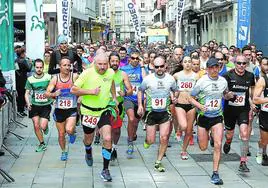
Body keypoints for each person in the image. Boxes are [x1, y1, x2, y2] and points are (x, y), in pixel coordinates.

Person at [71, 54, 117, 182]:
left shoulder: (110, 72)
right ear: (94, 63)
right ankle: (88, 150)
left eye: (105, 64)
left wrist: (114, 97)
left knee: (107, 138)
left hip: (104, 110)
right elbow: (73, 90)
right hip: (88, 111)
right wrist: (91, 92)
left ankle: (105, 170)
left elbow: (111, 82)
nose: (102, 67)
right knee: (88, 138)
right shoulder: (87, 73)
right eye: (100, 64)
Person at [189, 58, 234, 185]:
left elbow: (225, 94)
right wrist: (199, 105)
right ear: (207, 69)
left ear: (219, 68)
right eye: (212, 67)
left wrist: (228, 95)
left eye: (217, 67)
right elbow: (190, 98)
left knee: (218, 145)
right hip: (203, 117)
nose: (214, 70)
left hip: (217, 116)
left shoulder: (223, 81)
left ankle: (215, 173)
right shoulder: (202, 81)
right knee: (203, 148)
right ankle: (206, 136)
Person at [137, 56, 177, 172]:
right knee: (151, 140)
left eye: (161, 66)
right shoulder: (148, 79)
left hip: (165, 112)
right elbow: (140, 90)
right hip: (151, 113)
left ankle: (158, 162)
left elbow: (176, 90)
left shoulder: (170, 79)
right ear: (153, 67)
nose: (159, 69)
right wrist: (140, 105)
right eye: (156, 67)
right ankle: (147, 141)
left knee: (164, 138)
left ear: (165, 66)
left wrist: (175, 97)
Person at [222, 55, 255, 172]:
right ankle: (228, 142)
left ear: (246, 64)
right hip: (230, 110)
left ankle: (243, 161)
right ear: (234, 63)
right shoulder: (227, 76)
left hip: (243, 109)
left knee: (244, 134)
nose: (241, 66)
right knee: (229, 134)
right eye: (239, 63)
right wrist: (228, 95)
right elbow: (222, 93)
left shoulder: (250, 76)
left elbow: (251, 93)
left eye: (244, 63)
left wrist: (252, 104)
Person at [45, 57, 78, 161]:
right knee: (61, 134)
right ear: (60, 66)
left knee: (68, 129)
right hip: (59, 110)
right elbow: (46, 93)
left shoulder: (75, 77)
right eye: (65, 65)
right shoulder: (55, 79)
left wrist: (80, 96)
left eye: (69, 65)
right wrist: (54, 94)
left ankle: (72, 133)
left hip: (71, 109)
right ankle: (64, 151)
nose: (67, 67)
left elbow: (82, 89)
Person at [120, 49, 147, 158]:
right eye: (133, 58)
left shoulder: (142, 69)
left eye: (137, 58)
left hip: (140, 99)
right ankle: (130, 141)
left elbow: (145, 81)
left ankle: (133, 134)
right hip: (128, 98)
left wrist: (142, 66)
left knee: (135, 122)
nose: (135, 60)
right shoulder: (124, 69)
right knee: (131, 119)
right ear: (129, 58)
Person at [109, 52, 132, 161]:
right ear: (109, 62)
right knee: (106, 129)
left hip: (118, 106)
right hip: (106, 105)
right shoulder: (105, 74)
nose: (114, 63)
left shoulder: (123, 74)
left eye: (116, 61)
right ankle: (107, 148)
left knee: (117, 130)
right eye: (112, 61)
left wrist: (126, 93)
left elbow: (131, 90)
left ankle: (114, 147)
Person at [25, 59, 52, 152]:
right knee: (36, 125)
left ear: (43, 67)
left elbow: (52, 89)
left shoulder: (48, 77)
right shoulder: (30, 79)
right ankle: (42, 144)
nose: (39, 69)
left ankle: (45, 127)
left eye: (41, 67)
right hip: (34, 105)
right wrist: (28, 103)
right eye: (37, 67)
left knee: (42, 126)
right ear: (34, 67)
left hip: (46, 105)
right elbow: (26, 93)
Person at [173, 56, 198, 159]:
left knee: (189, 130)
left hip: (191, 105)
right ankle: (178, 130)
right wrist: (173, 97)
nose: (187, 64)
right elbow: (170, 86)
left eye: (189, 62)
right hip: (180, 104)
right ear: (182, 64)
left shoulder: (196, 76)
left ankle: (184, 150)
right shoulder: (177, 75)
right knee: (183, 126)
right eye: (185, 62)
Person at [253, 57, 268, 166]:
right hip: (265, 113)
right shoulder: (263, 80)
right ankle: (261, 151)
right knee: (264, 140)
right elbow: (255, 99)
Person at [15, 48, 33, 116]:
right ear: (22, 54)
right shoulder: (24, 61)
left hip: (17, 80)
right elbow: (29, 69)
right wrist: (31, 63)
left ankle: (19, 110)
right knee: (22, 95)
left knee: (19, 95)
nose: (25, 54)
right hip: (23, 80)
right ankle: (21, 110)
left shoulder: (15, 61)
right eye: (24, 53)